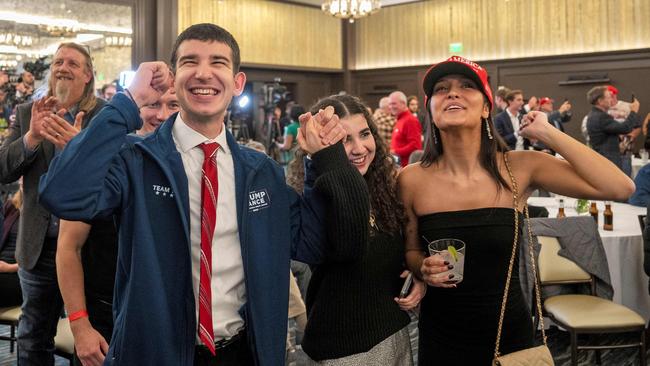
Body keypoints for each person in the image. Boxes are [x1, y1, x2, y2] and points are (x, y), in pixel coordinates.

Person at [38, 23, 367, 366]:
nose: (204, 73)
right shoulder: (136, 160)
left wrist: (326, 160)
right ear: (174, 78)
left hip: (241, 352)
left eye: (219, 63)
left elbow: (317, 244)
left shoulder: (261, 172)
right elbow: (61, 195)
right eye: (190, 61)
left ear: (238, 84)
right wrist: (128, 102)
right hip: (155, 353)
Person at [398, 56, 635, 365]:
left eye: (466, 86)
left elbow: (620, 187)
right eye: (441, 89)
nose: (452, 93)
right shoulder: (410, 179)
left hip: (507, 333)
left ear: (486, 108)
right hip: (441, 336)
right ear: (430, 110)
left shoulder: (518, 168)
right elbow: (411, 249)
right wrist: (421, 267)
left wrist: (549, 134)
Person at [52, 88, 180, 366]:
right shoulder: (107, 162)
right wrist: (80, 325)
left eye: (172, 104)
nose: (161, 114)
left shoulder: (189, 167)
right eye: (152, 104)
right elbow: (67, 248)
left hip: (165, 323)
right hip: (105, 318)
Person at [297, 94, 425, 365]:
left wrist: (417, 276)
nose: (359, 148)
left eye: (364, 134)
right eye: (344, 140)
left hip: (395, 334)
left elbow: (396, 254)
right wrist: (324, 161)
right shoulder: (316, 194)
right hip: (343, 349)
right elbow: (350, 248)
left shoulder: (384, 188)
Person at [0, 42, 105, 365]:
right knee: (34, 336)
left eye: (73, 63)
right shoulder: (30, 112)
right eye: (59, 61)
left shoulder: (104, 116)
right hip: (38, 248)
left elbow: (115, 174)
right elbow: (4, 169)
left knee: (89, 337)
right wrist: (31, 138)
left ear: (87, 75)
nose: (63, 67)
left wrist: (80, 149)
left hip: (88, 248)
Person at [586, 85, 641, 171]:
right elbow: (625, 128)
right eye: (608, 97)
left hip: (604, 159)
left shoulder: (595, 115)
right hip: (608, 161)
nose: (611, 100)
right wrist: (633, 111)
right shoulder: (601, 117)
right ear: (600, 101)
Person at [0, 187, 22, 308]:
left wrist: (10, 267)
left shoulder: (46, 211)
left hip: (19, 274)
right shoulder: (11, 206)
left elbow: (48, 259)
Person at [389, 91, 422, 167]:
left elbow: (415, 146)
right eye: (389, 104)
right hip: (399, 166)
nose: (391, 107)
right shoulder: (400, 119)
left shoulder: (410, 120)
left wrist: (395, 151)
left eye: (393, 103)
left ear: (403, 103)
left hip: (406, 168)